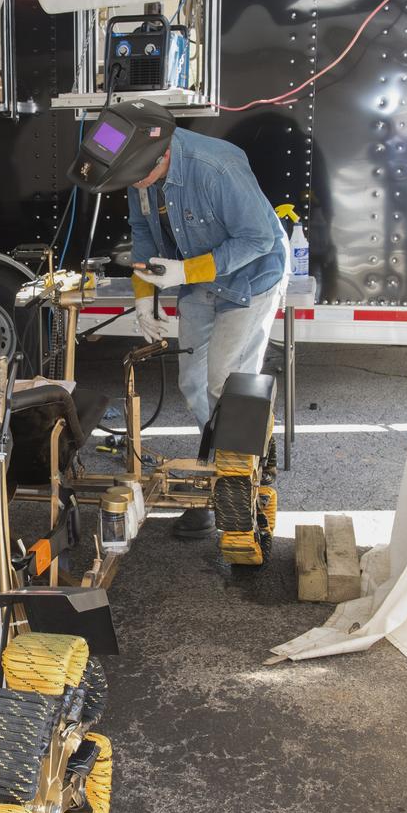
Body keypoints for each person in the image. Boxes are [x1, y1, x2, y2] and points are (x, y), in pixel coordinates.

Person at [129, 120, 287, 536]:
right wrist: (144, 297)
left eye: (136, 176)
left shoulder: (217, 167)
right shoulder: (138, 166)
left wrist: (185, 271)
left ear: (162, 155)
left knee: (227, 386)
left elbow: (258, 239)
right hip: (199, 279)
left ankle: (238, 492)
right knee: (193, 383)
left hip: (250, 278)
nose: (132, 185)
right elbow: (143, 233)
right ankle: (219, 472)